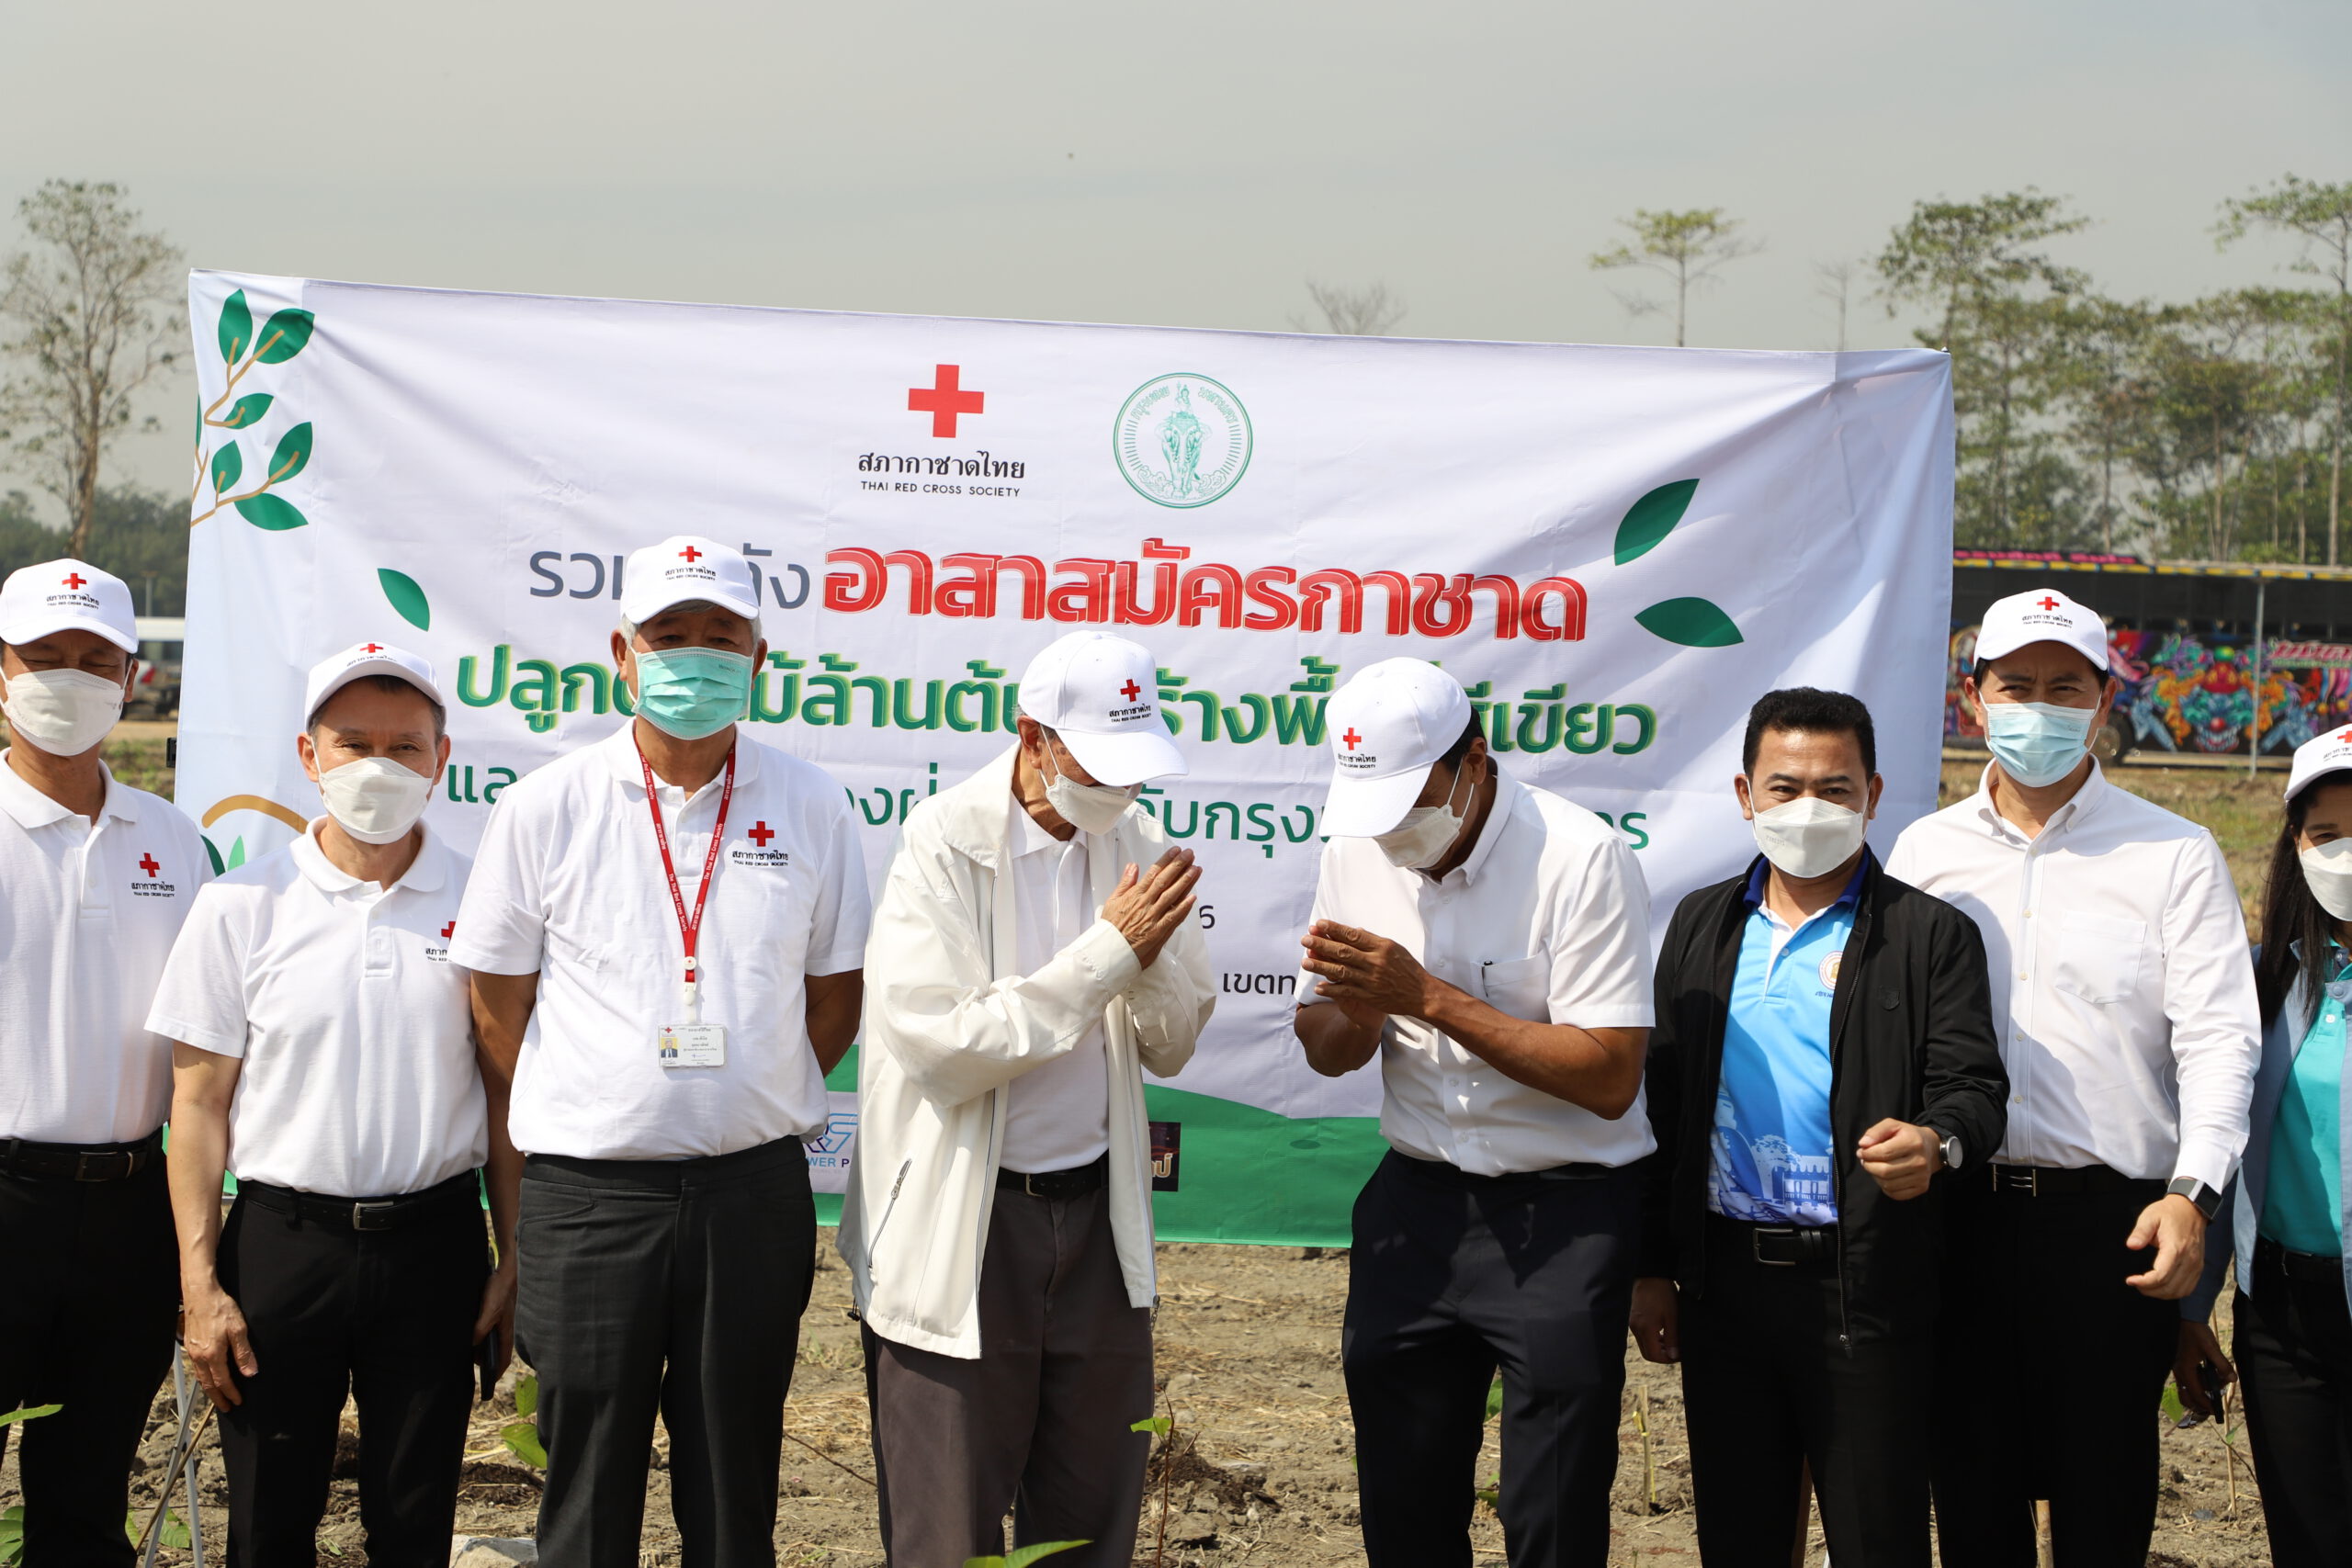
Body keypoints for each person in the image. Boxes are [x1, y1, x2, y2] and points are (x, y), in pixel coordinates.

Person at [449, 536, 870, 1568]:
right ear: (621, 654)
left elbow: (834, 996)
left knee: (736, 1482)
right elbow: (497, 1007)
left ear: (760, 657)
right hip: (589, 1200)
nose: (693, 658)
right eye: (667, 637)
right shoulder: (546, 805)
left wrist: (739, 1094)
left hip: (750, 1194)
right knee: (587, 1479)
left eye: (718, 637)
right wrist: (613, 1099)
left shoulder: (812, 803)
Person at [1887, 585, 2260, 1565]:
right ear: (1974, 699)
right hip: (1956, 1218)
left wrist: (2192, 1198)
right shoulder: (1926, 855)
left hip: (2114, 1230)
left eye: (2066, 688)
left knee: (2105, 1506)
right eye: (2016, 686)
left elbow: (2220, 1043)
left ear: (2103, 702)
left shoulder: (2174, 853)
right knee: (1970, 1502)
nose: (2038, 708)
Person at [842, 628, 1212, 1568]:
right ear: (1032, 736)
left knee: (1090, 1526)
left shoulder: (1136, 845)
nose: (1120, 790)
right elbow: (944, 1047)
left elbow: (1170, 1044)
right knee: (949, 1536)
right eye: (1100, 762)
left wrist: (1150, 957)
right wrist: (1107, 956)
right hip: (964, 1226)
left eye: (1137, 768)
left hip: (1094, 1225)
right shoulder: (942, 842)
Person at [152, 643, 514, 1567]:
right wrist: (199, 1285)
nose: (378, 769)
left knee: (414, 1511)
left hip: (435, 1247)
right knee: (269, 1519)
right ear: (309, 757)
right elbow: (195, 1106)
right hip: (282, 1244)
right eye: (353, 744)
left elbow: (509, 1091)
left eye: (405, 747)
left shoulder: (485, 903)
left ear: (440, 761)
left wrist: (516, 1257)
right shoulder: (241, 905)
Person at [1632, 687, 2007, 1566]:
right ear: (1744, 795)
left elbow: (1974, 1089)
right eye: (1785, 786)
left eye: (1835, 789)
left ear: (1874, 795)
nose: (1810, 809)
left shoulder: (1930, 935)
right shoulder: (1700, 923)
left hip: (1863, 1290)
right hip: (1725, 1285)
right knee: (1740, 1534)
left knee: (1878, 1536)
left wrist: (1936, 1142)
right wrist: (1653, 1267)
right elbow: (1665, 1102)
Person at [1293, 657, 1654, 1567]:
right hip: (1414, 1207)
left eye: (1413, 803)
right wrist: (1364, 1005)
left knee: (1553, 1510)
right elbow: (1325, 1047)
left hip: (1562, 1216)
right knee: (1403, 1501)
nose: (1394, 834)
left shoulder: (1580, 856)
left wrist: (1426, 996)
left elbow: (1610, 1074)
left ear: (1474, 764)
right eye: (1375, 812)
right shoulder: (1353, 847)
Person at [0, 558, 209, 1564]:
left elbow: (206, 1057)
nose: (69, 679)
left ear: (133, 676)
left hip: (129, 1209)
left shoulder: (175, 840)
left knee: (87, 1503)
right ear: (0, 667)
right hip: (3, 1194)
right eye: (44, 657)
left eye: (96, 660)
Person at [2179, 727, 2352, 1566]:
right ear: (2296, 842)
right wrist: (2191, 1310)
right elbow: (2219, 1141)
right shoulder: (2262, 982)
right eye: (2330, 834)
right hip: (2282, 1318)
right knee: (2309, 1539)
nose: (2348, 855)